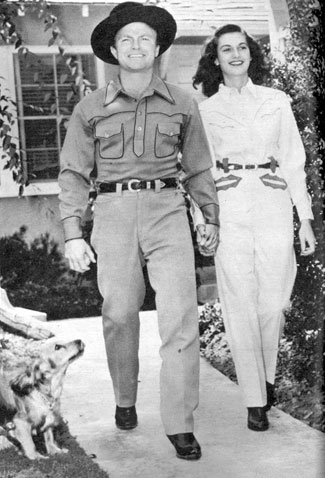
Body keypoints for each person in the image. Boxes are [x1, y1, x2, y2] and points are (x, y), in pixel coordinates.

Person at [58, 2, 219, 460]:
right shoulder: (90, 108)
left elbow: (199, 167)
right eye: (126, 39)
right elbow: (72, 173)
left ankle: (180, 423)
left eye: (144, 39)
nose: (135, 46)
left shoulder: (183, 103)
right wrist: (73, 231)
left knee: (181, 318)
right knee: (120, 314)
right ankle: (124, 398)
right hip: (111, 211)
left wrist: (210, 217)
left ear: (157, 49)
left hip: (168, 209)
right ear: (112, 49)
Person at [192, 24, 316, 431]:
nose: (235, 54)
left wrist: (305, 219)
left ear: (251, 54)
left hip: (273, 201)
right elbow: (198, 170)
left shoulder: (276, 101)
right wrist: (205, 218)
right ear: (215, 59)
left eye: (241, 47)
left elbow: (294, 160)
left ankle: (265, 377)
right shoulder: (206, 110)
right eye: (226, 49)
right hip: (229, 205)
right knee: (239, 299)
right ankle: (254, 401)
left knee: (274, 300)